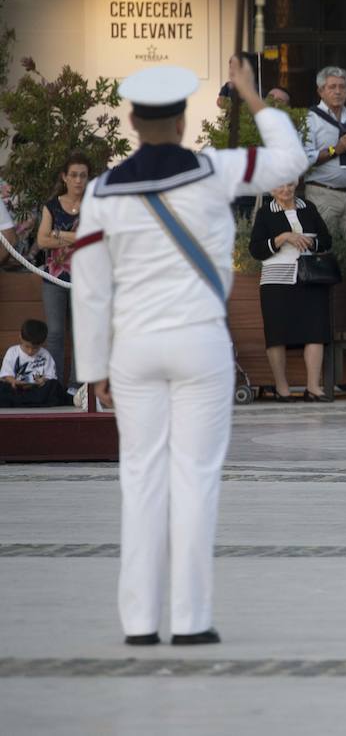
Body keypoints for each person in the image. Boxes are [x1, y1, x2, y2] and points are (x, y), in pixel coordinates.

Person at [71, 59, 307, 646]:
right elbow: (291, 160)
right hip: (200, 342)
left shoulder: (101, 191)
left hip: (134, 349)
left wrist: (93, 366)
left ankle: (139, 621)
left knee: (141, 478)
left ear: (130, 120)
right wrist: (252, 95)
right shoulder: (215, 169)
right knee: (195, 478)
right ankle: (192, 618)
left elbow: (91, 283)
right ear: (181, 121)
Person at [249, 182, 333, 402]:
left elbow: (327, 240)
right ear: (271, 189)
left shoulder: (308, 207)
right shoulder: (265, 212)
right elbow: (256, 249)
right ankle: (282, 387)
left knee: (316, 331)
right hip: (277, 281)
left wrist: (310, 242)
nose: (285, 190)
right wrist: (283, 237)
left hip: (310, 277)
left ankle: (313, 387)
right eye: (279, 186)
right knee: (277, 334)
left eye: (289, 185)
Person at [35, 152, 91, 388]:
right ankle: (56, 385)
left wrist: (59, 234)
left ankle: (77, 386)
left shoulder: (95, 204)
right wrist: (75, 238)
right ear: (64, 177)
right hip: (55, 277)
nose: (79, 180)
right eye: (74, 175)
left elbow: (95, 238)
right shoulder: (52, 206)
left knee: (81, 333)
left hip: (86, 278)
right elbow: (42, 241)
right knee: (56, 333)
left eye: (83, 176)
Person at [304, 66, 346, 241]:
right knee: (325, 246)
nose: (338, 91)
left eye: (342, 87)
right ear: (321, 91)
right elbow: (305, 157)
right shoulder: (311, 118)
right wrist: (336, 149)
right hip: (323, 195)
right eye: (332, 87)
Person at [0, 319, 70, 407]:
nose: (30, 351)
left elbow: (50, 378)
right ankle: (31, 403)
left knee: (54, 386)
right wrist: (14, 382)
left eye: (35, 348)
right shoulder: (12, 352)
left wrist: (42, 381)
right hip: (16, 390)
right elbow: (6, 375)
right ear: (21, 337)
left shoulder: (45, 355)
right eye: (27, 346)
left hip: (37, 391)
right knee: (2, 387)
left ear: (42, 343)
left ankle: (21, 403)